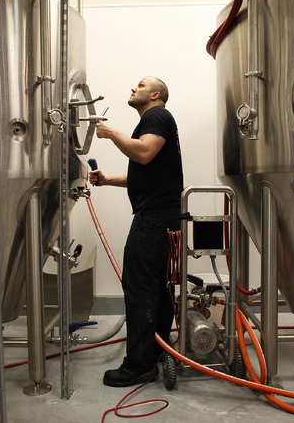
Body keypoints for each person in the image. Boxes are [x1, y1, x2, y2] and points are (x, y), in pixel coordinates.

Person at [89, 76, 183, 387]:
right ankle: (156, 353)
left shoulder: (157, 115)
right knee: (157, 288)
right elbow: (146, 174)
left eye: (140, 85)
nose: (133, 88)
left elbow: (143, 153)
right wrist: (107, 180)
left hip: (153, 219)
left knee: (140, 287)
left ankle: (139, 365)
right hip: (161, 217)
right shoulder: (154, 122)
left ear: (155, 94)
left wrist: (110, 132)